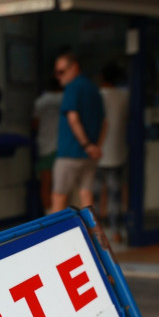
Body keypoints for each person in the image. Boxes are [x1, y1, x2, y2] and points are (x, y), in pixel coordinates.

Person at [51, 51, 106, 213]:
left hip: (71, 153)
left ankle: (54, 238)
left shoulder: (73, 87)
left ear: (74, 67)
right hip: (90, 155)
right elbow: (105, 122)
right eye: (56, 72)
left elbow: (73, 118)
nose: (58, 76)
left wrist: (87, 145)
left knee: (59, 197)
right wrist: (96, 147)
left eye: (61, 71)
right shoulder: (94, 89)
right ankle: (91, 235)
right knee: (86, 197)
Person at [94, 63, 129, 242]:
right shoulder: (124, 95)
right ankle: (116, 231)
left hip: (98, 153)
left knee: (96, 195)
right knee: (115, 195)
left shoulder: (97, 96)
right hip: (117, 151)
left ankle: (97, 233)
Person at [32, 78, 63, 213]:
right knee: (61, 185)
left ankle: (48, 214)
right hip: (62, 147)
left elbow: (35, 124)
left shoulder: (41, 101)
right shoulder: (65, 99)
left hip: (45, 145)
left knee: (46, 182)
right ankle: (62, 216)